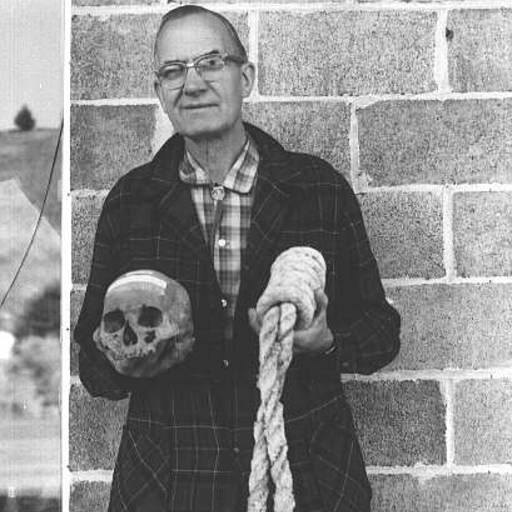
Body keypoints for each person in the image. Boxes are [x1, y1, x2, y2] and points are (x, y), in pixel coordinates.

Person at [74, 5, 401, 512]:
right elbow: (93, 365)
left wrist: (326, 342)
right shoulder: (130, 202)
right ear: (159, 91)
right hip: (169, 480)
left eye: (210, 62)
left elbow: (381, 331)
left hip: (304, 475)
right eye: (173, 71)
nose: (193, 82)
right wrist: (125, 356)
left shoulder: (317, 190)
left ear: (244, 77)